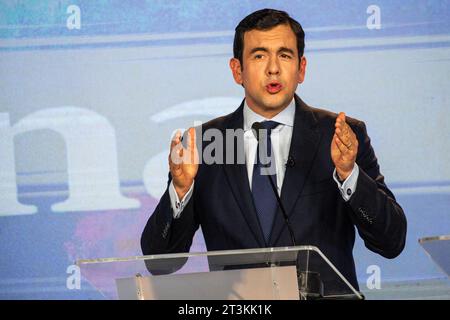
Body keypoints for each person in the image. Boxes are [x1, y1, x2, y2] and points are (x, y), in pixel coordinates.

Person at [141, 8, 407, 295]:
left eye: (285, 55)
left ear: (301, 68)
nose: (273, 68)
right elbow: (160, 262)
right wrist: (181, 191)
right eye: (259, 55)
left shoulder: (340, 136)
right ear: (237, 70)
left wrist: (349, 175)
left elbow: (391, 242)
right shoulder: (206, 144)